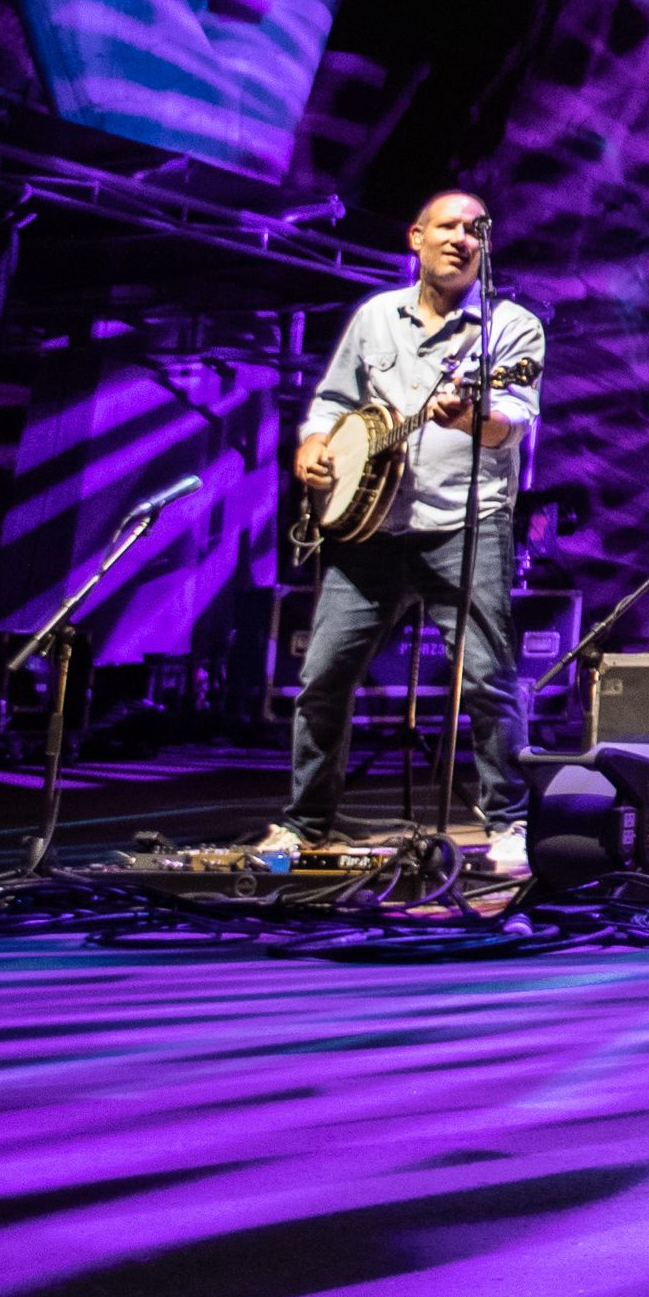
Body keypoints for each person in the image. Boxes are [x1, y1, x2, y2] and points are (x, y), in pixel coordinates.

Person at [262, 189, 546, 871]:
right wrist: (312, 443)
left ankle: (509, 821)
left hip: (464, 522)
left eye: (475, 229)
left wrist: (467, 419)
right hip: (368, 529)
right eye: (447, 226)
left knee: (486, 677)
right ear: (415, 237)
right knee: (324, 678)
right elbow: (334, 399)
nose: (461, 238)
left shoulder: (511, 328)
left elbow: (515, 417)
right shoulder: (374, 319)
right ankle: (305, 824)